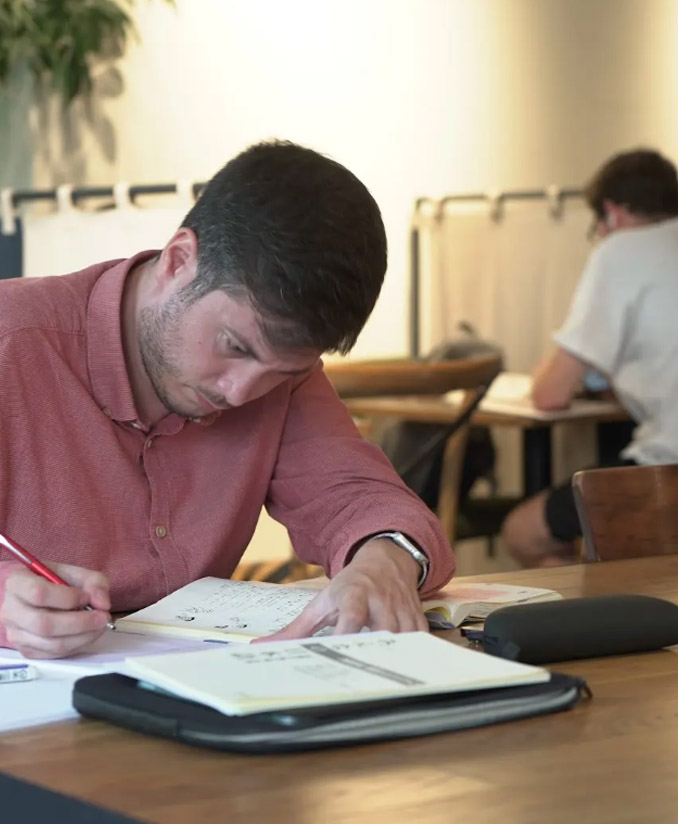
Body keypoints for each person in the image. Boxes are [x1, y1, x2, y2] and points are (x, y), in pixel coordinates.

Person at [0, 140, 455, 658]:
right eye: (234, 346)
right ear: (178, 261)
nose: (240, 393)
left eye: (282, 371)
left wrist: (383, 562)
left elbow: (355, 496)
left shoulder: (279, 376)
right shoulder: (12, 341)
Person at [502, 148, 678, 567]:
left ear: (611, 214)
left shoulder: (620, 252)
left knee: (523, 533)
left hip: (669, 468)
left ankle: (603, 605)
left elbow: (549, 393)